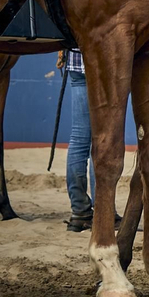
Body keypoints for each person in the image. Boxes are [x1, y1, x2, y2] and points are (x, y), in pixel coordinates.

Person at [61, 48, 93, 233]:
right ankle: (105, 211)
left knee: (79, 138)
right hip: (105, 65)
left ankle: (79, 211)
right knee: (103, 140)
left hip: (75, 61)